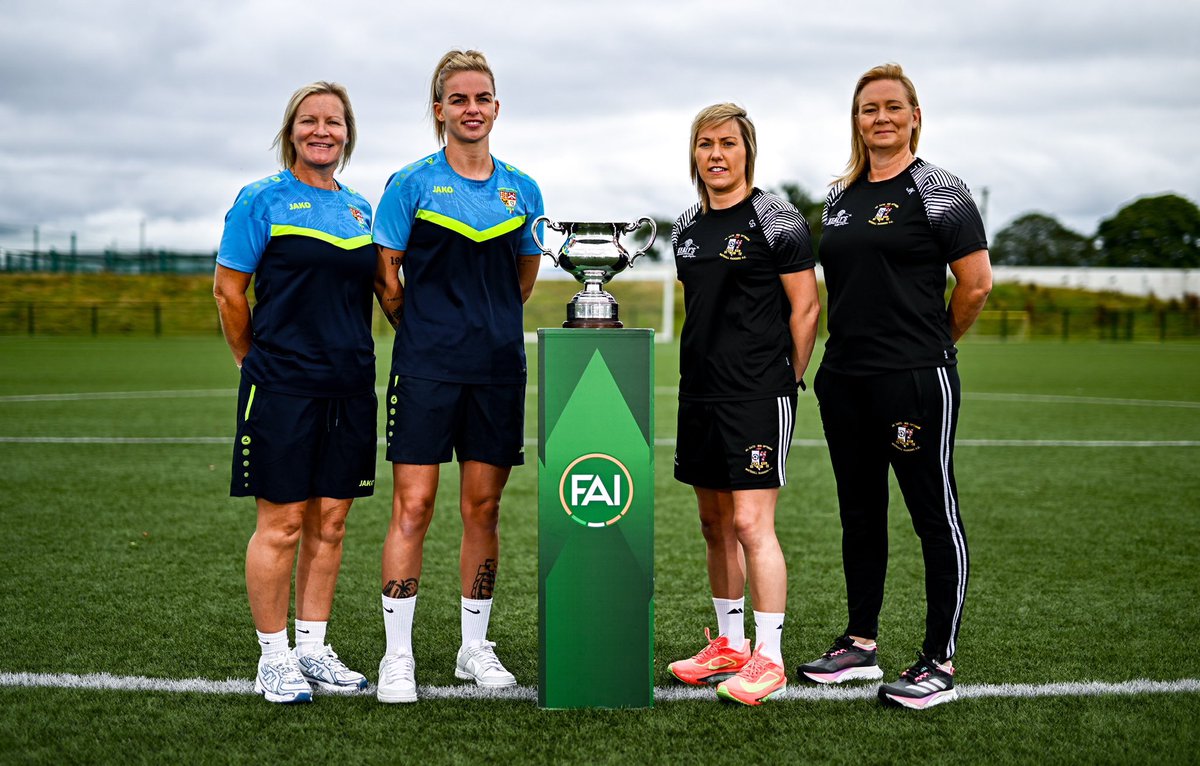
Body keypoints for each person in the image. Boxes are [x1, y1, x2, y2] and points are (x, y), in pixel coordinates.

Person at [795, 63, 992, 710]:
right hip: (845, 379)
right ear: (856, 121)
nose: (880, 118)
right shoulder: (840, 196)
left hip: (913, 378)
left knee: (934, 515)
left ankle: (939, 661)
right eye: (868, 109)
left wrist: (932, 346)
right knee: (859, 513)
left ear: (914, 116)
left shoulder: (939, 190)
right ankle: (860, 642)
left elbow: (976, 285)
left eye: (891, 107)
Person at [372, 49, 544, 704]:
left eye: (482, 98)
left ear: (497, 107)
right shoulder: (410, 183)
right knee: (413, 506)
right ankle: (398, 656)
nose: (472, 109)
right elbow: (386, 273)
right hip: (426, 368)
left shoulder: (523, 190)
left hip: (497, 369)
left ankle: (474, 648)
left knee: (484, 508)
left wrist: (485, 325)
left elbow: (522, 279)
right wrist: (420, 328)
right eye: (459, 99)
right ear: (439, 109)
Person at [213, 81, 377, 704]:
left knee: (330, 522)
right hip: (282, 385)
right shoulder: (261, 199)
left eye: (334, 122)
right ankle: (274, 657)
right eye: (309, 121)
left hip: (350, 385)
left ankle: (312, 648)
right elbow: (228, 291)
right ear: (291, 131)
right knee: (281, 523)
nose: (322, 131)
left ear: (347, 134)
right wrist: (251, 359)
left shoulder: (361, 210)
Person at [665, 103, 821, 706]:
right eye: (705, 144)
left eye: (727, 143)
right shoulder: (686, 226)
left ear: (747, 151)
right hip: (700, 393)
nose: (716, 154)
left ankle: (769, 658)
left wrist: (786, 378)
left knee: (753, 525)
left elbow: (805, 307)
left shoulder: (776, 217)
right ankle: (730, 645)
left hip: (757, 394)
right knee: (715, 525)